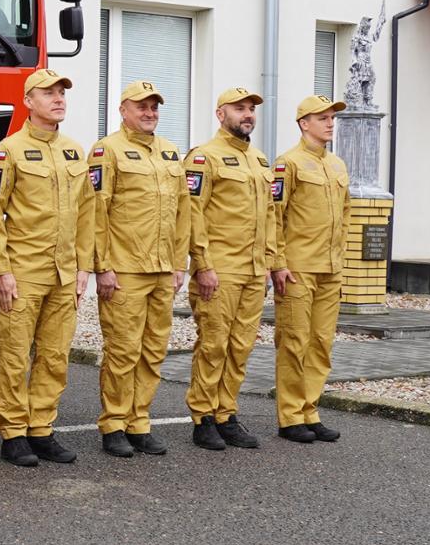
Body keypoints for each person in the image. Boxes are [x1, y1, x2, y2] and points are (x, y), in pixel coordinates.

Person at [0, 69, 93, 467]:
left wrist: (83, 266)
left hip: (64, 272)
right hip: (24, 270)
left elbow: (86, 213)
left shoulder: (73, 151)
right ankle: (13, 434)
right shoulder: (8, 150)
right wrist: (2, 270)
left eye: (62, 92)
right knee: (14, 355)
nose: (59, 98)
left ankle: (42, 428)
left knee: (54, 355)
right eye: (49, 93)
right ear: (29, 101)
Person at [88, 81, 191, 457]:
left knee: (153, 350)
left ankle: (139, 421)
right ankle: (114, 423)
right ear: (123, 110)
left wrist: (180, 264)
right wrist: (103, 266)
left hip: (163, 270)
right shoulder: (107, 150)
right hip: (125, 269)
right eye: (141, 106)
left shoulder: (170, 153)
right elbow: (97, 212)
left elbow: (184, 213)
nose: (149, 113)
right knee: (122, 349)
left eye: (154, 107)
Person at [183, 87, 278, 451]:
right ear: (221, 114)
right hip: (220, 270)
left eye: (252, 108)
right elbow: (193, 215)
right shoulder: (204, 158)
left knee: (240, 346)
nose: (248, 114)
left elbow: (269, 216)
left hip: (254, 271)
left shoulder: (259, 160)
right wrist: (202, 265)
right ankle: (203, 417)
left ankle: (227, 414)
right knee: (213, 344)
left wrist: (269, 263)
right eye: (240, 108)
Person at [271, 95, 351, 444]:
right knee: (294, 341)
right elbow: (274, 216)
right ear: (304, 123)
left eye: (332, 117)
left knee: (320, 343)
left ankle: (310, 410)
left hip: (330, 269)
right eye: (322, 117)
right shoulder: (288, 163)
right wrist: (278, 263)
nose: (330, 123)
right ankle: (290, 417)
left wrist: (342, 261)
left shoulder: (337, 166)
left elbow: (346, 217)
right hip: (298, 269)